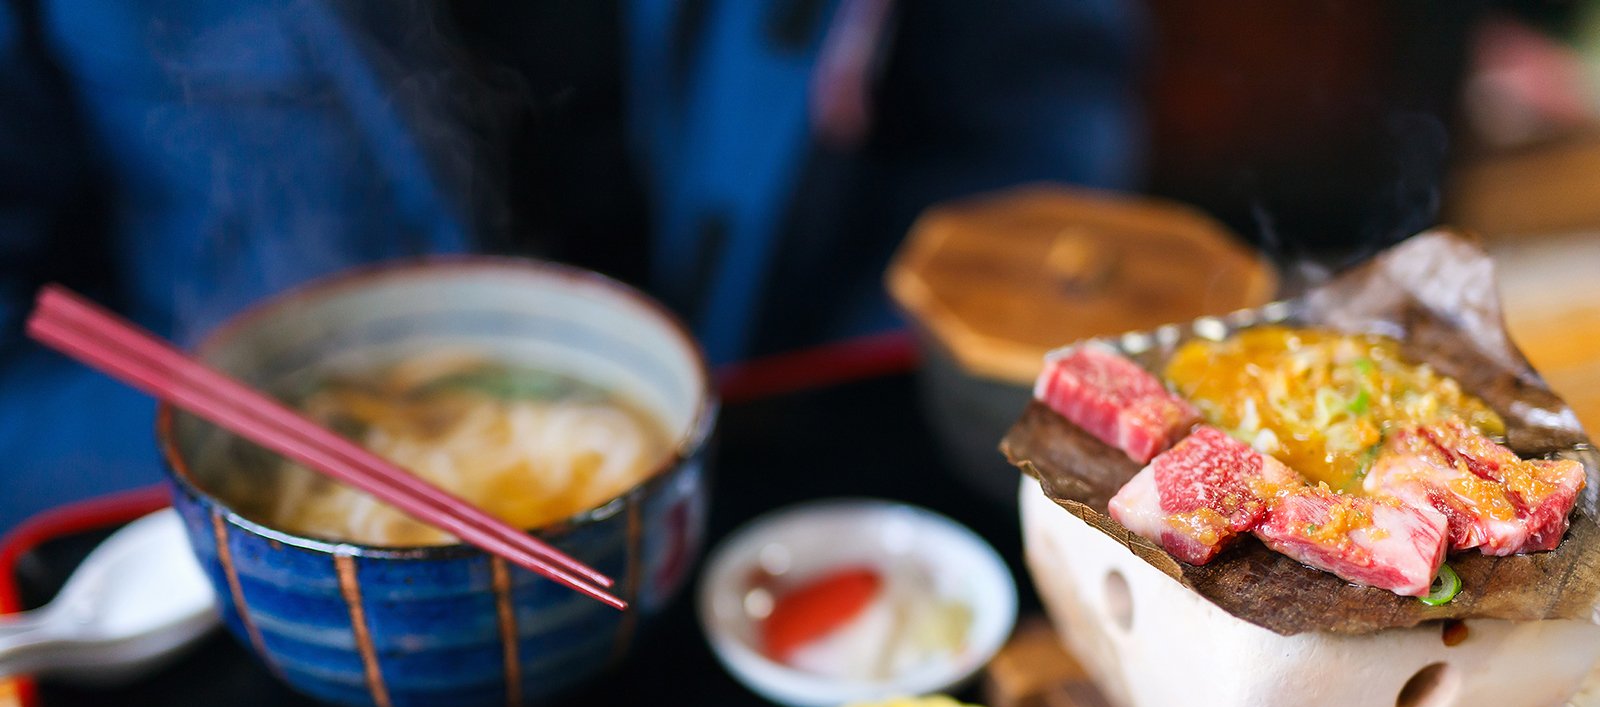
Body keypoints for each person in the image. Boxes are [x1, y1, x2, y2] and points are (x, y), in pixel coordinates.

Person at [0, 0, 1140, 531]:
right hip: (219, 573)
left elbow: (1026, 132)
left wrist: (821, 427)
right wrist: (233, 488)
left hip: (781, 486)